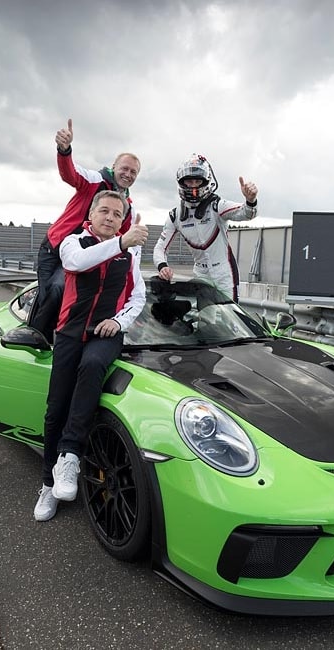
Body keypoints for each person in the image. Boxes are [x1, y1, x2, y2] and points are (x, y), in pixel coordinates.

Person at [33, 190, 149, 522]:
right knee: (55, 410)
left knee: (94, 363)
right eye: (105, 211)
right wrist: (123, 242)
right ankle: (47, 485)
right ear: (92, 214)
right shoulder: (74, 242)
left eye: (117, 213)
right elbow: (75, 264)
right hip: (69, 333)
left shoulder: (129, 255)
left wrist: (119, 320)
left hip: (104, 334)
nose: (110, 217)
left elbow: (137, 296)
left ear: (122, 219)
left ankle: (69, 456)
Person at [29, 118, 141, 341]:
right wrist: (64, 149)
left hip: (89, 256)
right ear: (114, 167)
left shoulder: (128, 206)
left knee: (79, 301)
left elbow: (123, 241)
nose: (128, 174)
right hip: (56, 248)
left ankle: (69, 341)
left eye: (134, 172)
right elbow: (69, 173)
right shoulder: (95, 179)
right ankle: (35, 337)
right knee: (54, 291)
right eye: (125, 168)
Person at [153, 154, 259, 301]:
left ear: (206, 182)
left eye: (198, 181)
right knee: (205, 319)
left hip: (224, 272)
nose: (194, 185)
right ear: (182, 182)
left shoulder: (217, 205)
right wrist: (162, 266)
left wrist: (251, 200)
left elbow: (245, 213)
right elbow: (160, 248)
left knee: (231, 318)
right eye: (189, 181)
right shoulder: (175, 215)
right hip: (200, 274)